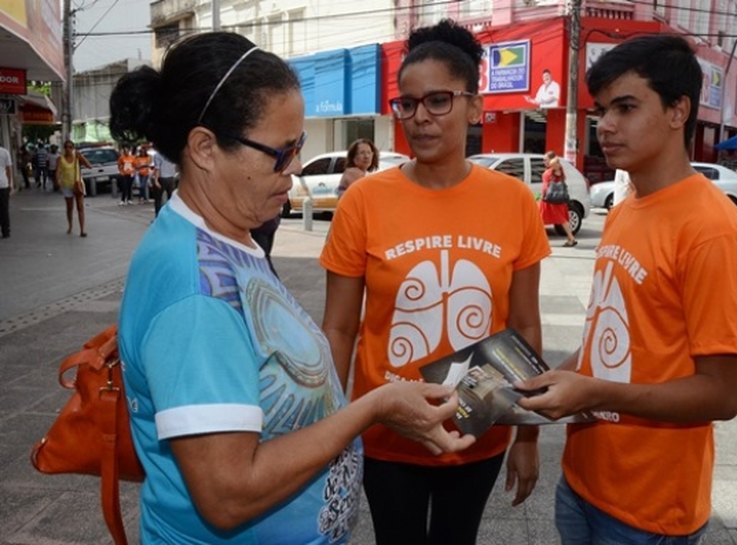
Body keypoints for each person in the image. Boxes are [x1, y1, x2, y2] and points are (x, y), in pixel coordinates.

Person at [108, 31, 474, 545]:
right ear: (205, 148)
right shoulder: (196, 293)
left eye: (297, 146)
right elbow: (228, 494)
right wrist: (370, 407)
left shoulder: (230, 234)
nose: (296, 167)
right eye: (281, 152)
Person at [516, 35, 737, 544]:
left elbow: (723, 392)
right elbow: (615, 338)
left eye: (625, 107)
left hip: (649, 511)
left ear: (678, 111)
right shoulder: (627, 208)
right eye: (602, 110)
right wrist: (534, 389)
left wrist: (596, 392)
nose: (605, 125)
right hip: (583, 481)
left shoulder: (712, 230)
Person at [320, 19, 548, 545]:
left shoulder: (513, 201)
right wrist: (330, 429)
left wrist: (527, 436)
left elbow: (525, 324)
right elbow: (337, 329)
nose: (419, 117)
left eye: (438, 101)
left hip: (478, 430)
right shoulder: (364, 201)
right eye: (408, 103)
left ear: (474, 105)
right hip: (384, 433)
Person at [540, 154, 577, 247]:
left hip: (550, 200)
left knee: (542, 218)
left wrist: (543, 196)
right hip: (560, 199)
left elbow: (545, 187)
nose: (544, 162)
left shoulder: (548, 173)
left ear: (551, 160)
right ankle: (570, 238)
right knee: (562, 219)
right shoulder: (560, 172)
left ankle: (571, 238)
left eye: (545, 160)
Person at [56, 140, 87, 237]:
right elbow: (58, 171)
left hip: (77, 185)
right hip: (67, 185)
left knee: (80, 207)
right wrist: (58, 181)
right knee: (70, 208)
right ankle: (70, 226)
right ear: (64, 148)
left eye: (70, 147)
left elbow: (89, 165)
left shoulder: (77, 157)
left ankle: (82, 230)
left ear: (73, 148)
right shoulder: (60, 159)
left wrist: (81, 156)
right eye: (66, 147)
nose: (68, 149)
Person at [151, 149, 177, 217]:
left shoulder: (158, 155)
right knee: (171, 199)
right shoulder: (172, 154)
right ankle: (171, 215)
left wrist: (156, 180)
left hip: (162, 178)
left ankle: (158, 216)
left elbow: (157, 168)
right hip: (171, 178)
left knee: (158, 199)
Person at [0, 143, 12, 238]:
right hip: (3, 184)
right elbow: (8, 170)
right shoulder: (5, 152)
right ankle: (5, 231)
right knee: (4, 209)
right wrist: (9, 183)